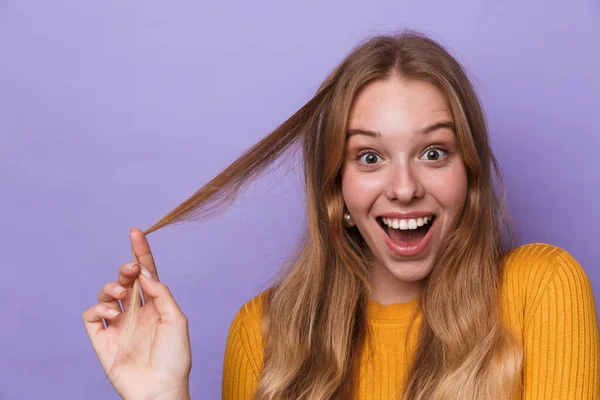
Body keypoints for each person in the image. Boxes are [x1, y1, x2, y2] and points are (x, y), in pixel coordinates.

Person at [82, 31, 600, 399]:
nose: (403, 189)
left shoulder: (541, 289)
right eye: (370, 157)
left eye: (434, 152)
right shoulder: (263, 335)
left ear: (469, 172)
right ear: (337, 186)